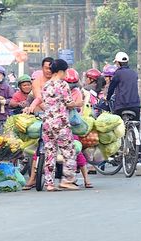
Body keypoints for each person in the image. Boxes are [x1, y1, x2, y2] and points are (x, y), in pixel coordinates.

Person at [41, 59, 79, 191]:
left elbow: (45, 102)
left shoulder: (46, 85)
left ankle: (49, 184)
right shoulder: (63, 85)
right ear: (62, 71)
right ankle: (67, 180)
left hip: (46, 122)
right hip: (60, 123)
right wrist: (77, 103)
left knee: (50, 152)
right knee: (69, 151)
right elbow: (69, 102)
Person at [106, 52, 141, 119]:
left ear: (118, 63)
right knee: (136, 123)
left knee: (117, 124)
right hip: (135, 105)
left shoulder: (118, 73)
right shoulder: (134, 73)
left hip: (121, 106)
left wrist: (108, 98)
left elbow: (111, 88)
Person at [0, 66, 14, 132]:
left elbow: (13, 100)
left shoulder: (7, 87)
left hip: (3, 116)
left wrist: (5, 101)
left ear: (3, 76)